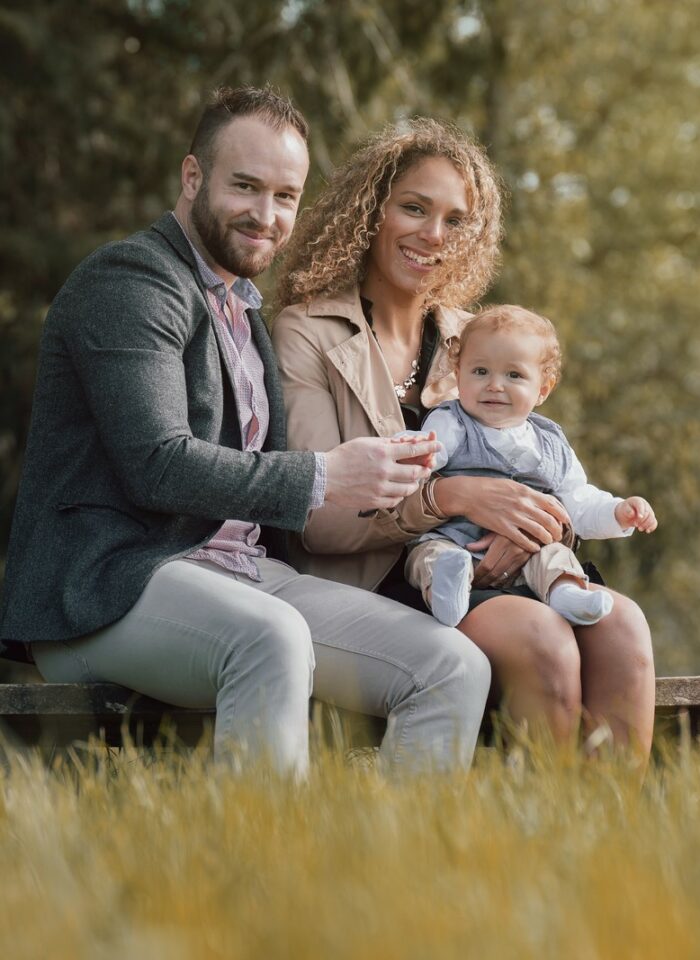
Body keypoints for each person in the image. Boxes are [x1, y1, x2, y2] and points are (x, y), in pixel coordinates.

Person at [0, 87, 493, 777]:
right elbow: (157, 464)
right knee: (274, 639)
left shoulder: (242, 309)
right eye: (246, 187)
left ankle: (379, 877)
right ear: (193, 177)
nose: (267, 216)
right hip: (106, 589)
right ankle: (265, 880)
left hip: (245, 575)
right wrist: (326, 474)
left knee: (453, 667)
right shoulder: (131, 281)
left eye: (286, 196)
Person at [273, 117, 656, 756]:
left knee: (626, 629)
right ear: (372, 212)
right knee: (543, 642)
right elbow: (317, 520)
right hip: (382, 581)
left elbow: (542, 467)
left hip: (508, 564)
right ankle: (530, 842)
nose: (433, 234)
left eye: (456, 220)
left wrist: (534, 527)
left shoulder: (478, 336)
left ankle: (598, 845)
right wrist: (451, 498)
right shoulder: (307, 332)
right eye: (415, 209)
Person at [402, 304, 657, 629]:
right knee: (429, 556)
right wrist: (408, 451)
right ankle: (445, 592)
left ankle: (566, 593)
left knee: (556, 557)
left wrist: (618, 512)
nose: (495, 385)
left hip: (528, 555)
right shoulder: (451, 421)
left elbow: (577, 502)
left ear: (542, 389)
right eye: (480, 371)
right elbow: (426, 452)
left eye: (514, 375)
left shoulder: (549, 441)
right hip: (454, 538)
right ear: (458, 372)